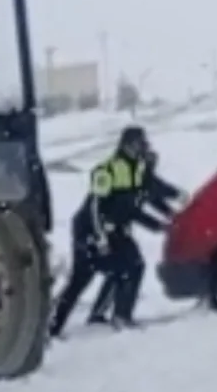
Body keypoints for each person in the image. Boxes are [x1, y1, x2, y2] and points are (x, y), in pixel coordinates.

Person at [50, 126, 172, 337]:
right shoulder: (108, 170)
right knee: (82, 278)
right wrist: (100, 238)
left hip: (116, 230)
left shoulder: (136, 170)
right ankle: (53, 326)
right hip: (91, 231)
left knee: (132, 266)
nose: (143, 149)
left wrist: (160, 224)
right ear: (127, 146)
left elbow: (132, 208)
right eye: (139, 145)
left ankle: (113, 315)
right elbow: (95, 207)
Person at [87, 147, 185, 325]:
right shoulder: (132, 179)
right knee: (132, 267)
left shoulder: (139, 179)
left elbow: (155, 196)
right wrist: (161, 223)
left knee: (121, 270)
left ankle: (102, 313)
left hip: (115, 228)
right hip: (110, 228)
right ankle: (120, 315)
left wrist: (171, 215)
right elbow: (138, 207)